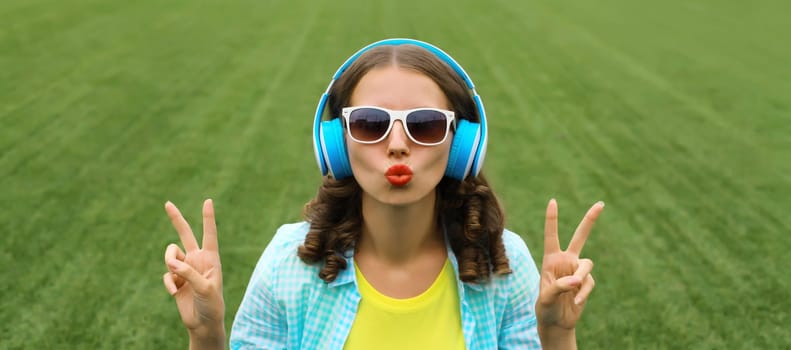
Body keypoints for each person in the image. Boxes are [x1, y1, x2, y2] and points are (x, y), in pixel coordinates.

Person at [162, 38, 604, 350]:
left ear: (462, 146)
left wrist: (558, 336)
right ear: (335, 142)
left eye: (425, 124)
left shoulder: (505, 266)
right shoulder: (287, 263)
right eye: (371, 124)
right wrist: (206, 336)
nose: (396, 144)